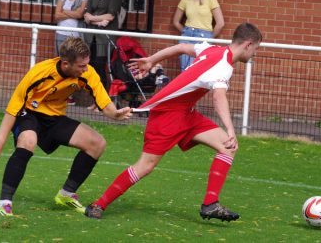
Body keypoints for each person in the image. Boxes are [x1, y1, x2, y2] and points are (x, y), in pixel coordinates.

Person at [85, 22, 262, 222]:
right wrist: (231, 129)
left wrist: (152, 59)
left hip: (187, 114)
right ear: (248, 44)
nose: (255, 54)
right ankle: (98, 204)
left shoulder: (213, 49)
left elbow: (180, 47)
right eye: (256, 49)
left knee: (227, 147)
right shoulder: (223, 66)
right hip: (167, 116)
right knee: (145, 165)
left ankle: (210, 204)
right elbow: (218, 98)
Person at [0, 37, 132, 216]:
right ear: (66, 63)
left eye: (86, 64)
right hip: (28, 114)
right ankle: (4, 203)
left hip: (54, 118)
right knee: (28, 141)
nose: (86, 69)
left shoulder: (87, 73)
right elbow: (13, 107)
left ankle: (66, 195)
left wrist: (115, 114)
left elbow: (104, 103)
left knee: (97, 143)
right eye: (81, 66)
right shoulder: (40, 72)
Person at [84, 0, 122, 111]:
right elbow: (86, 16)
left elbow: (111, 15)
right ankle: (96, 100)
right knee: (91, 67)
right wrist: (98, 20)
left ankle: (103, 101)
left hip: (105, 37)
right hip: (91, 35)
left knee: (101, 67)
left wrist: (93, 18)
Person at [173, 0, 225, 71]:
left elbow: (220, 23)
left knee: (198, 69)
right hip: (187, 35)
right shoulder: (185, 0)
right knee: (185, 69)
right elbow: (176, 21)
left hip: (204, 36)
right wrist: (185, 32)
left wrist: (209, 37)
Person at [54, 0, 89, 105]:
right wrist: (72, 12)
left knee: (74, 65)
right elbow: (57, 15)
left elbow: (80, 14)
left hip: (75, 35)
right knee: (61, 63)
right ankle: (60, 92)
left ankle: (70, 93)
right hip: (61, 33)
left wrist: (64, 11)